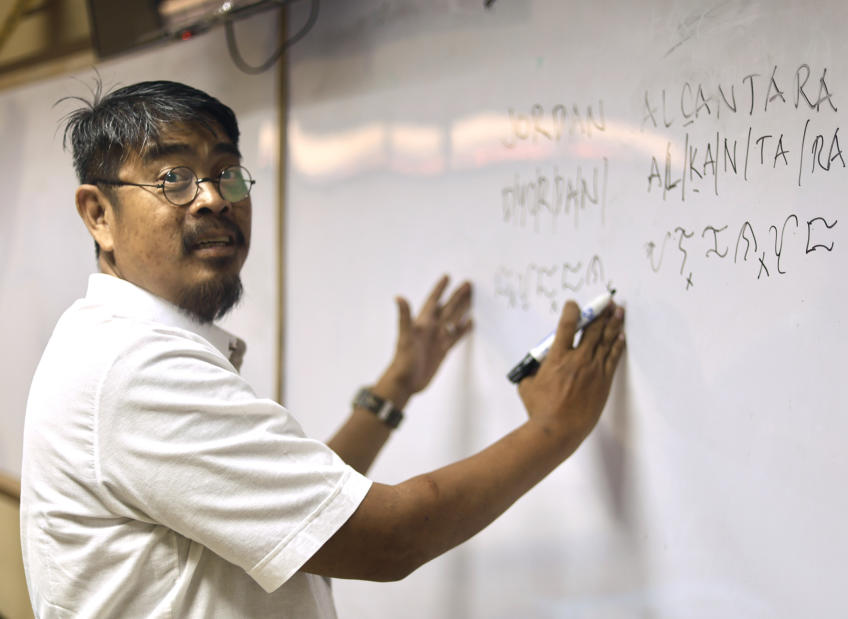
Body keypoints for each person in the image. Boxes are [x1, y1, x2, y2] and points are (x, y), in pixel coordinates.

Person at [19, 80, 626, 618]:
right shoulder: (135, 368)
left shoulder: (117, 348)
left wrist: (394, 389)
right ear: (98, 214)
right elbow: (390, 538)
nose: (214, 198)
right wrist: (554, 428)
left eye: (227, 171)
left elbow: (302, 507)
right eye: (173, 178)